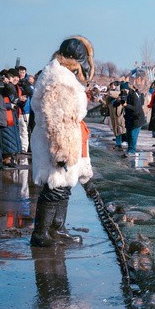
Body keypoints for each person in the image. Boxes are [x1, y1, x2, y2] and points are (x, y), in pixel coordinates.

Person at [30, 36, 94, 248]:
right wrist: (61, 151)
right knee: (55, 186)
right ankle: (41, 233)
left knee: (64, 186)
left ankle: (57, 229)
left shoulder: (62, 74)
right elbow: (57, 119)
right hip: (57, 140)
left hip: (65, 136)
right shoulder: (60, 78)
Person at [122, 79, 145, 154]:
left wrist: (126, 105)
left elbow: (135, 107)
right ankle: (129, 149)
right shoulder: (125, 95)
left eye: (124, 90)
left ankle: (132, 150)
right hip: (130, 119)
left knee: (133, 135)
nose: (123, 91)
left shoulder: (133, 96)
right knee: (128, 135)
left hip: (137, 119)